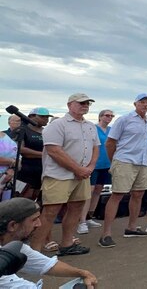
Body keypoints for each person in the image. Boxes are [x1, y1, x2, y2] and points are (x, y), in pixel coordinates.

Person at [29, 94, 98, 257]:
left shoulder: (90, 126)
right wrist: (78, 169)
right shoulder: (58, 125)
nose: (85, 105)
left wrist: (90, 167)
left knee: (76, 207)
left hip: (81, 176)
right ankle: (35, 252)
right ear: (70, 105)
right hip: (58, 175)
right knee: (51, 211)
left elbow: (96, 147)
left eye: (87, 103)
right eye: (81, 103)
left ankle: (67, 244)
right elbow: (54, 151)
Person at [0, 198, 97, 288]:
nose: (39, 224)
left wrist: (84, 273)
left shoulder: (13, 245)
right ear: (12, 226)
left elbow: (48, 265)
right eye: (34, 220)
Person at [98, 93, 147, 248]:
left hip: (143, 162)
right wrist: (114, 161)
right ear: (135, 103)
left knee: (138, 194)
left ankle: (131, 227)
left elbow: (146, 142)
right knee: (117, 195)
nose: (145, 105)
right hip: (125, 160)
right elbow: (110, 143)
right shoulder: (124, 119)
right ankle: (106, 234)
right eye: (142, 102)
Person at [77, 109, 114, 235]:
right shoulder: (93, 128)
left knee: (98, 190)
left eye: (111, 115)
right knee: (89, 190)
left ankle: (89, 217)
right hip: (94, 164)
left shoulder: (111, 130)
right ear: (100, 117)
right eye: (107, 115)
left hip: (106, 164)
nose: (109, 117)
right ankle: (81, 221)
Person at [16, 108, 52, 201]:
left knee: (36, 197)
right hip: (26, 169)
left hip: (43, 169)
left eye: (47, 117)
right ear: (31, 116)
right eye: (42, 116)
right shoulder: (23, 129)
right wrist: (44, 154)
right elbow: (21, 149)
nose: (45, 119)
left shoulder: (47, 131)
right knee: (23, 197)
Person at [0, 129, 17, 200]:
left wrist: (12, 169)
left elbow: (18, 160)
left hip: (6, 180)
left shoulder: (7, 138)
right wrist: (12, 161)